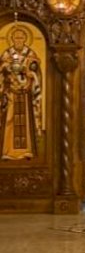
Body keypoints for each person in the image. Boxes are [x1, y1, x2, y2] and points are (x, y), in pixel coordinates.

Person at [0, 25, 43, 159]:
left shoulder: (30, 53)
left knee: (26, 121)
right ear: (12, 39)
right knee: (10, 119)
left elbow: (35, 67)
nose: (18, 40)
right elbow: (2, 67)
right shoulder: (7, 53)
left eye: (21, 37)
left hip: (25, 93)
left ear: (25, 39)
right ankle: (7, 152)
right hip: (11, 91)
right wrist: (7, 68)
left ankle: (26, 151)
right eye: (16, 37)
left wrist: (30, 70)